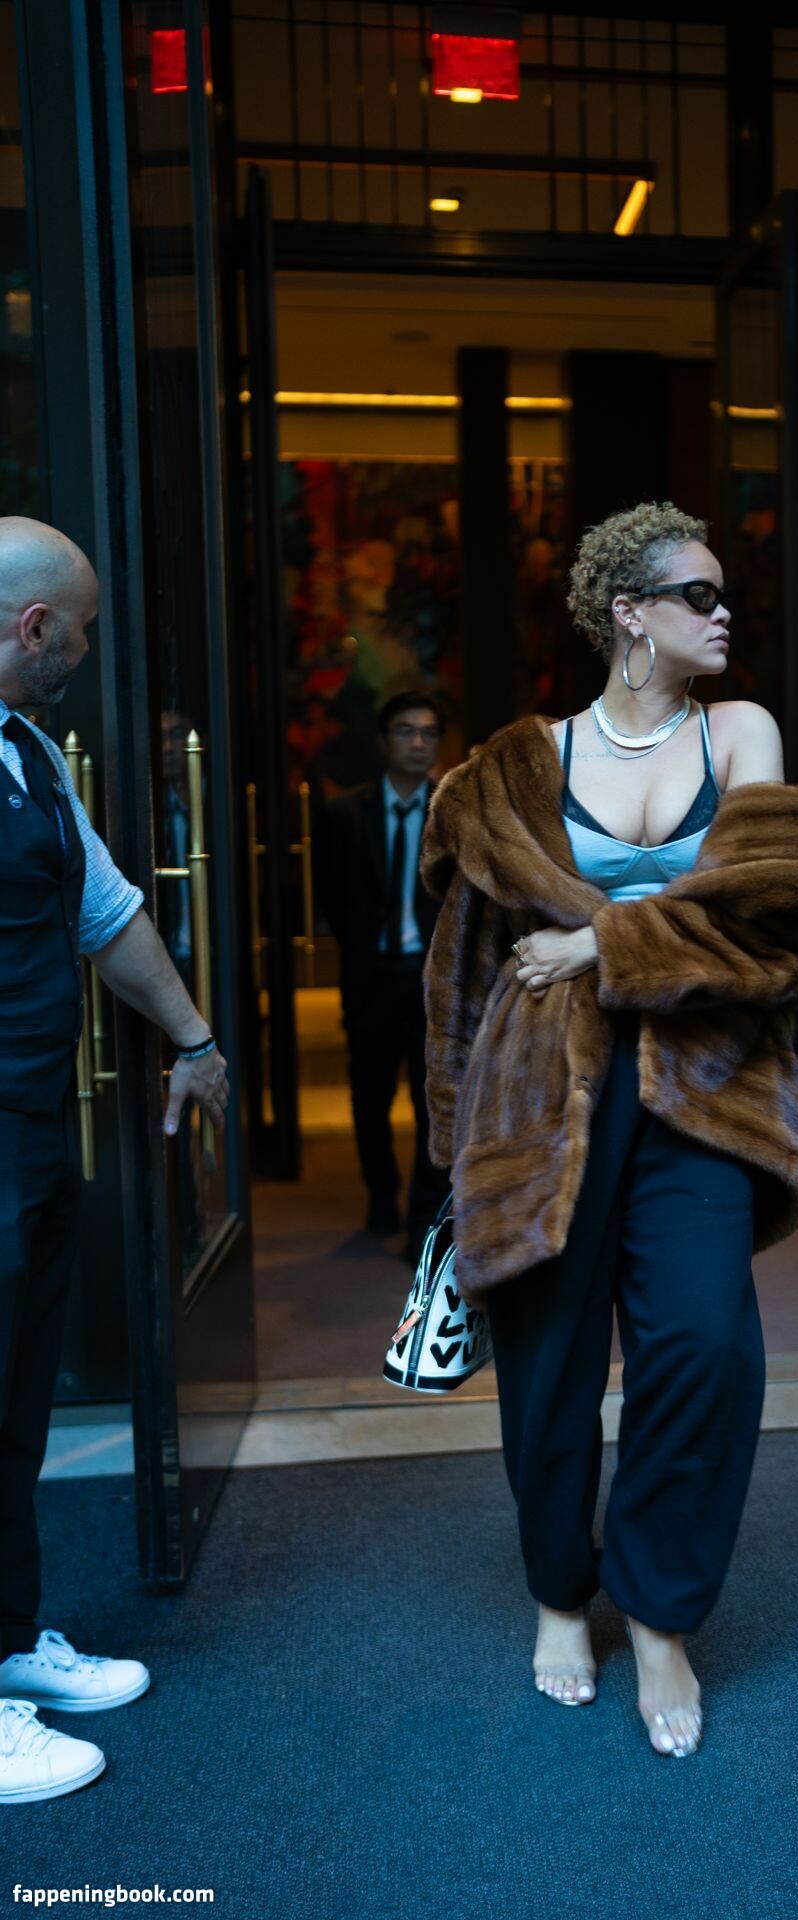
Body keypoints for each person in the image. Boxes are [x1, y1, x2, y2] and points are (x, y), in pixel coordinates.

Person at [420, 502, 798, 1756]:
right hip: (538, 1097)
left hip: (702, 1089)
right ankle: (561, 1596)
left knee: (703, 1350)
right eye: (698, 595)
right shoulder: (516, 766)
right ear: (629, 613)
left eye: (724, 595)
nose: (724, 613)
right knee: (549, 1365)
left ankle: (658, 1614)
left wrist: (598, 942)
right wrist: (450, 1150)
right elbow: (461, 969)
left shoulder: (739, 732)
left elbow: (773, 923)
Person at [0, 518, 228, 1802]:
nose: (84, 655)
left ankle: (8, 1641)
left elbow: (106, 910)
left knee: (15, 1400)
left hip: (30, 1123)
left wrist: (193, 1038)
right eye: (79, 633)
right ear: (35, 627)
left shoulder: (30, 754)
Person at [315, 690, 448, 1254]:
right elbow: (330, 892)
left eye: (428, 733)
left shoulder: (452, 810)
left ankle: (422, 1218)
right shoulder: (345, 812)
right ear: (382, 741)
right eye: (405, 731)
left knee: (430, 1102)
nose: (417, 742)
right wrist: (360, 950)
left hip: (431, 980)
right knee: (369, 1098)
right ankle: (381, 1194)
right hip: (371, 976)